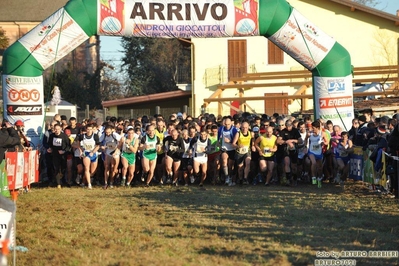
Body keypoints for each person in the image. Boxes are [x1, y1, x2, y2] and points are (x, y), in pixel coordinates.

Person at [47, 123, 71, 188]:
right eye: (55, 129)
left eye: (58, 129)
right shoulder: (52, 136)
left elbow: (68, 145)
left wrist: (64, 151)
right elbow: (49, 144)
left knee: (63, 168)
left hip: (63, 155)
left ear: (60, 129)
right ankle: (58, 184)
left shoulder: (64, 136)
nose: (57, 131)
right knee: (56, 168)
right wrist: (49, 148)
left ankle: (61, 178)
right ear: (54, 130)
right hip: (55, 154)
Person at [79, 123, 101, 189]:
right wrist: (81, 150)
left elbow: (98, 145)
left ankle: (83, 181)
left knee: (92, 172)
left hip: (93, 153)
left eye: (90, 129)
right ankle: (89, 184)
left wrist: (93, 151)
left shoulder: (95, 136)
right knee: (86, 168)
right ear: (86, 129)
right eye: (88, 129)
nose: (89, 131)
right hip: (86, 153)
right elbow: (77, 143)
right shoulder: (82, 136)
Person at [218, 116, 239, 185]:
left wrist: (229, 141)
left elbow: (235, 142)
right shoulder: (221, 129)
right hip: (224, 149)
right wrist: (219, 144)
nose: (227, 126)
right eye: (225, 124)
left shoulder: (234, 130)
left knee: (230, 165)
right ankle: (226, 177)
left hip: (232, 149)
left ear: (231, 123)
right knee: (224, 161)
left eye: (228, 124)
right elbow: (218, 138)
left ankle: (230, 177)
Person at [99, 125, 121, 189]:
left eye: (109, 132)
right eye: (106, 132)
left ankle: (112, 181)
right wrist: (102, 146)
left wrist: (117, 149)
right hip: (108, 152)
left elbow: (122, 140)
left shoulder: (115, 135)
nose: (108, 134)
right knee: (107, 167)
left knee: (114, 169)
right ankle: (106, 183)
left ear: (112, 131)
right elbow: (99, 141)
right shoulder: (104, 135)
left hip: (115, 153)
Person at [307, 121, 329, 185]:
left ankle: (319, 177)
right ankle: (313, 177)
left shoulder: (323, 133)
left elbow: (327, 142)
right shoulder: (309, 133)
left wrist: (323, 143)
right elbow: (306, 140)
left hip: (319, 152)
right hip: (311, 151)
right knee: (313, 163)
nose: (312, 129)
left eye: (313, 128)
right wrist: (306, 147)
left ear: (317, 128)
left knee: (319, 167)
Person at [233, 121, 252, 185]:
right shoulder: (238, 134)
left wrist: (253, 146)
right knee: (240, 167)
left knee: (248, 163)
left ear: (248, 127)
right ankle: (240, 179)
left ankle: (245, 178)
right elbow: (233, 144)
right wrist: (238, 146)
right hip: (239, 152)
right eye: (243, 127)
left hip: (247, 151)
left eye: (246, 127)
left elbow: (253, 140)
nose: (244, 129)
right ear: (241, 127)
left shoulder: (250, 133)